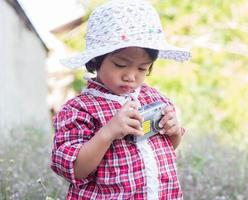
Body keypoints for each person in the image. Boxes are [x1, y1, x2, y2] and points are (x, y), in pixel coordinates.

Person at [50, 0, 191, 199]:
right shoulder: (80, 109)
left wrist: (174, 132)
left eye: (142, 68)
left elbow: (167, 147)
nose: (131, 76)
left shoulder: (153, 97)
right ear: (96, 60)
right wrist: (108, 132)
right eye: (120, 65)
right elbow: (75, 169)